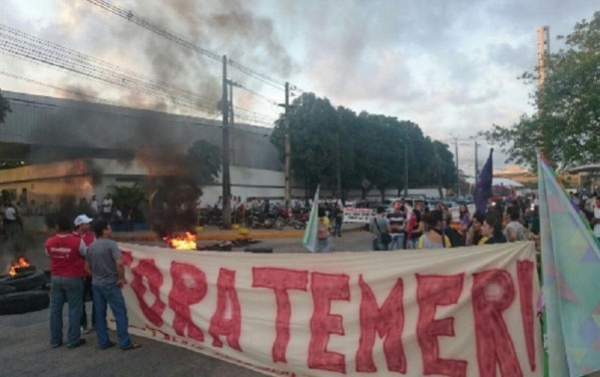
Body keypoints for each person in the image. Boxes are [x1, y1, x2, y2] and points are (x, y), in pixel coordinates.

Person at [85, 220, 141, 350]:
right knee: (120, 313)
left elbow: (86, 267)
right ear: (104, 231)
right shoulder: (111, 245)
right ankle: (125, 342)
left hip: (97, 285)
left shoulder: (91, 247)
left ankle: (103, 342)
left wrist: (96, 277)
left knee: (99, 314)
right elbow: (120, 263)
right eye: (109, 229)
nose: (110, 231)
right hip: (110, 284)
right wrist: (121, 278)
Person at [46, 216, 88, 349]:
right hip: (73, 277)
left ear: (57, 227)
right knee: (75, 309)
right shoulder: (78, 241)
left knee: (55, 309)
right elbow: (85, 253)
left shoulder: (49, 242)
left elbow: (49, 254)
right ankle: (73, 339)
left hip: (56, 278)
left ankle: (55, 340)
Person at [73, 214, 96, 334]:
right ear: (80, 225)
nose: (89, 225)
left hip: (91, 272)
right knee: (79, 300)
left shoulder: (92, 236)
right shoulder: (72, 237)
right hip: (78, 273)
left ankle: (96, 323)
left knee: (96, 298)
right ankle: (83, 324)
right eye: (86, 223)